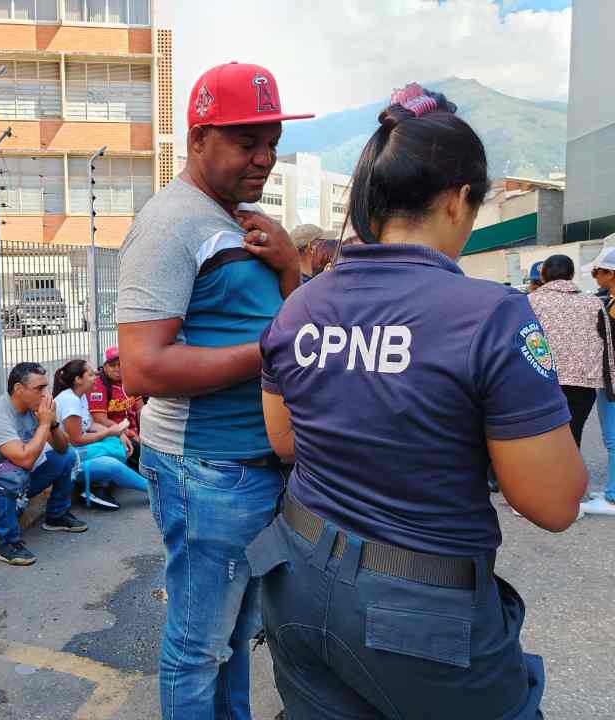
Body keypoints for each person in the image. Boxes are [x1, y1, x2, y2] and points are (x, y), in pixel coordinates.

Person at [248, 82, 587, 720]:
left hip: (294, 577)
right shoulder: (491, 316)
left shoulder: (303, 305)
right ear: (461, 201)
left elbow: (287, 442)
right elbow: (553, 503)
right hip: (418, 614)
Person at [117, 61, 312, 720]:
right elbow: (143, 368)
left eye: (272, 142)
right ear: (198, 138)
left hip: (253, 469)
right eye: (245, 141)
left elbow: (296, 323)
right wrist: (268, 351)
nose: (264, 158)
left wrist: (289, 266)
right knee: (199, 648)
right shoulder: (172, 223)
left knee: (233, 638)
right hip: (207, 473)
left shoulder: (243, 221)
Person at [0, 362, 87, 566]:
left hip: (16, 478)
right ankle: (7, 543)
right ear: (19, 389)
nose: (46, 394)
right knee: (13, 473)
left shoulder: (33, 408)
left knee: (67, 457)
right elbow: (25, 460)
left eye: (46, 387)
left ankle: (56, 515)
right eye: (39, 389)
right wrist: (44, 424)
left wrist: (52, 423)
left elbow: (63, 448)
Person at [528, 254, 603, 447]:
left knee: (541, 437)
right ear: (571, 275)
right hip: (583, 384)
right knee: (572, 437)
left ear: (543, 276)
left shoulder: (530, 302)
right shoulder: (593, 303)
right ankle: (568, 474)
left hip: (541, 382)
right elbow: (607, 342)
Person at [53, 359, 147, 510]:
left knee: (118, 444)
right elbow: (77, 440)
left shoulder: (80, 395)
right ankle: (153, 490)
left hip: (80, 451)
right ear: (78, 380)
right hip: (69, 459)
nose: (95, 376)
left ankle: (96, 487)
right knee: (113, 464)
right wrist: (110, 431)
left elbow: (90, 425)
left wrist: (118, 434)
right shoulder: (70, 401)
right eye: (90, 374)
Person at [583, 247, 615, 515]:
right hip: (608, 377)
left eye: (598, 272)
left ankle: (613, 497)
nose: (595, 277)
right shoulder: (611, 301)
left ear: (611, 274)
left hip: (613, 379)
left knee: (614, 439)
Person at [88, 346, 143, 467]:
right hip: (114, 434)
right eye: (113, 365)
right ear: (105, 366)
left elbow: (140, 409)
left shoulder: (130, 379)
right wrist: (126, 433)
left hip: (135, 432)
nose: (118, 369)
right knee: (144, 458)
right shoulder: (97, 385)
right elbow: (100, 419)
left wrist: (144, 432)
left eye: (120, 364)